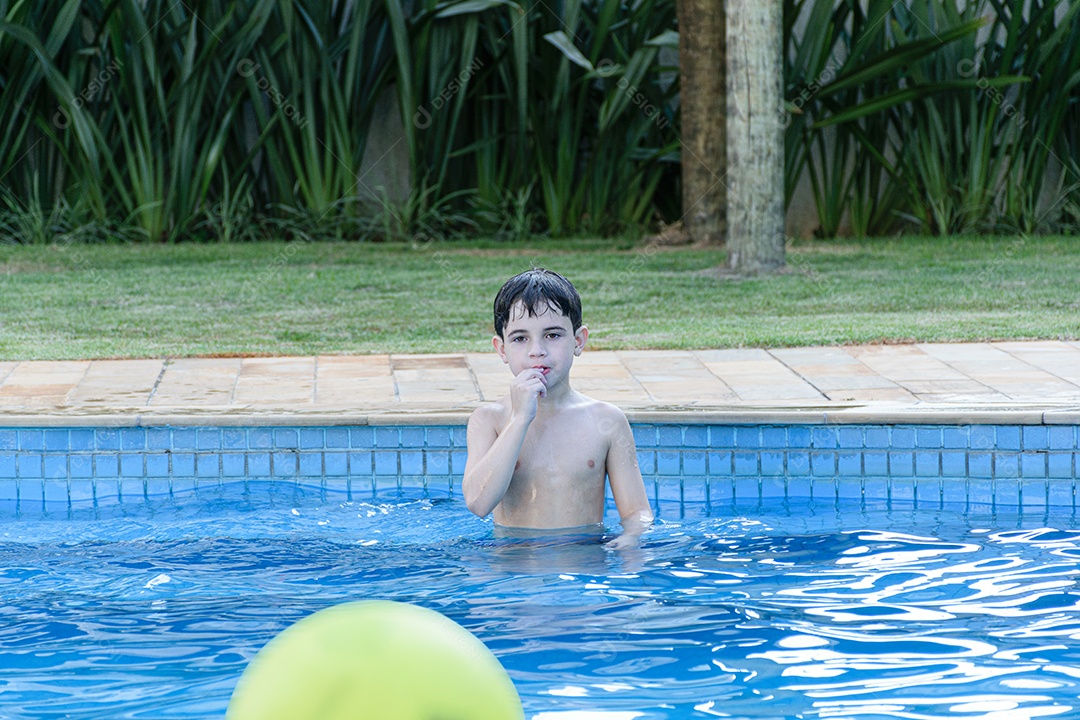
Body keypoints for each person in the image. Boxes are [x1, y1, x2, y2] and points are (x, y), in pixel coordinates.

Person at [462, 268, 653, 549]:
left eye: (552, 335)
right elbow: (478, 503)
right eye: (520, 338)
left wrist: (631, 539)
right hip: (512, 575)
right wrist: (519, 419)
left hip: (583, 568)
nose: (536, 350)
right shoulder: (489, 420)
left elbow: (637, 513)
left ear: (578, 341)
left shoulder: (607, 421)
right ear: (501, 349)